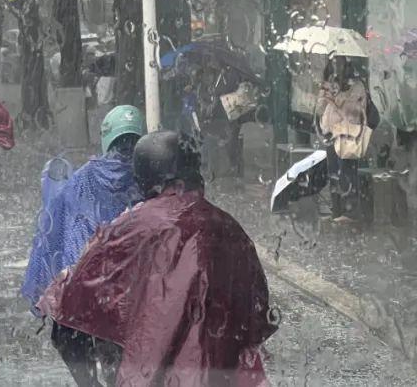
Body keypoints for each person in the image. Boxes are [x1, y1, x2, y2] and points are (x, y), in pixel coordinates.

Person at [38, 131, 276, 387]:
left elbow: (66, 316)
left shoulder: (129, 228)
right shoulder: (232, 230)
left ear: (144, 181)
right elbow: (257, 320)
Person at [20, 105, 146, 312]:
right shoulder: (152, 180)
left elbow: (50, 238)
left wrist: (38, 294)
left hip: (83, 290)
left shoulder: (81, 179)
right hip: (134, 293)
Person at [316, 56, 377, 222]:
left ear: (347, 65)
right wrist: (324, 94)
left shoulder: (357, 86)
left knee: (346, 171)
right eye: (334, 63)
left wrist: (338, 98)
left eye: (340, 63)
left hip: (347, 135)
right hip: (330, 133)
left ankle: (349, 210)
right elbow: (320, 108)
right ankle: (336, 209)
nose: (337, 67)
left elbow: (356, 110)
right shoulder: (330, 84)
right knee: (333, 172)